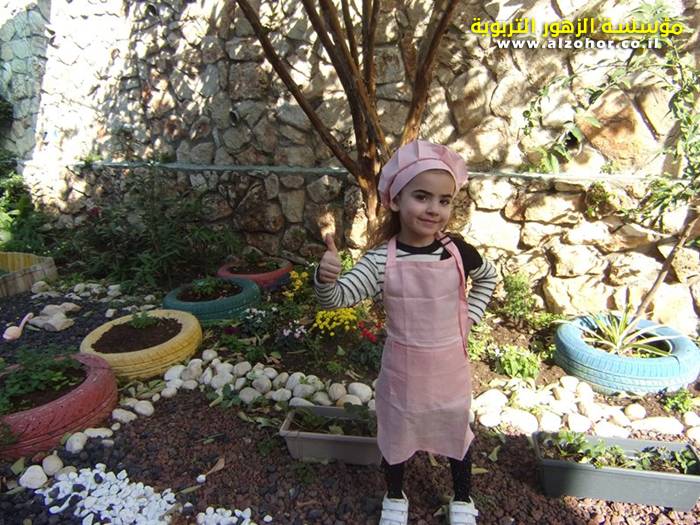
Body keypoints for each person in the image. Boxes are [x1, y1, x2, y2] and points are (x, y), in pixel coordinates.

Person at [314, 139, 497, 525]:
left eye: (444, 200)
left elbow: (488, 278)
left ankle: (462, 497)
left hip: (449, 370)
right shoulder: (381, 259)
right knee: (396, 432)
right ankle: (395, 495)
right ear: (396, 200)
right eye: (422, 196)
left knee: (455, 430)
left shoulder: (458, 251)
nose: (434, 209)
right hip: (404, 372)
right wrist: (325, 279)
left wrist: (468, 319)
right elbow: (338, 298)